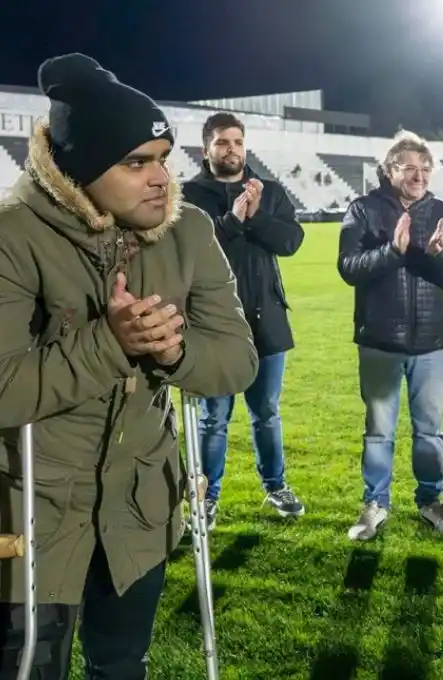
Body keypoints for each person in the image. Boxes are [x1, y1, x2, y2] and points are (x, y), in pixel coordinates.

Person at [0, 53, 257, 679]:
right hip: (33, 505)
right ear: (79, 169)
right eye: (135, 162)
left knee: (121, 666)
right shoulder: (12, 236)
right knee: (32, 664)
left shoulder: (189, 231)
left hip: (139, 502)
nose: (160, 178)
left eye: (163, 159)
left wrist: (174, 352)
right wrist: (110, 342)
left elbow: (237, 359)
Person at [338, 131, 443, 540]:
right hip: (379, 339)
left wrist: (439, 254)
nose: (419, 175)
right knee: (379, 430)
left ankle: (431, 501)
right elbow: (348, 267)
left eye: (425, 168)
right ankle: (375, 503)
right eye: (409, 168)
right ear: (389, 170)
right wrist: (392, 252)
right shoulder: (362, 210)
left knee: (430, 429)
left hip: (431, 341)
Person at [182, 112, 306, 530]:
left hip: (267, 318)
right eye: (221, 142)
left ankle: (276, 486)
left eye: (236, 141)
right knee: (214, 417)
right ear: (206, 150)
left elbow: (291, 241)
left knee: (266, 411)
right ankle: (207, 496)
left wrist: (256, 216)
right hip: (213, 324)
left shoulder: (268, 191)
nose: (230, 149)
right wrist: (234, 219)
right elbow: (190, 251)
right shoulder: (189, 194)